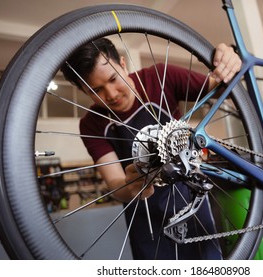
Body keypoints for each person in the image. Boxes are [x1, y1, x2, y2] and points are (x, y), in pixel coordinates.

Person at [61, 37, 241, 259]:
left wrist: (229, 57)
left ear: (123, 64)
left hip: (191, 200)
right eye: (96, 90)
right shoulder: (91, 124)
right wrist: (131, 186)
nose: (112, 94)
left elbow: (221, 84)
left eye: (113, 79)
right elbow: (115, 184)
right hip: (144, 216)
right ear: (82, 91)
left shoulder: (160, 77)